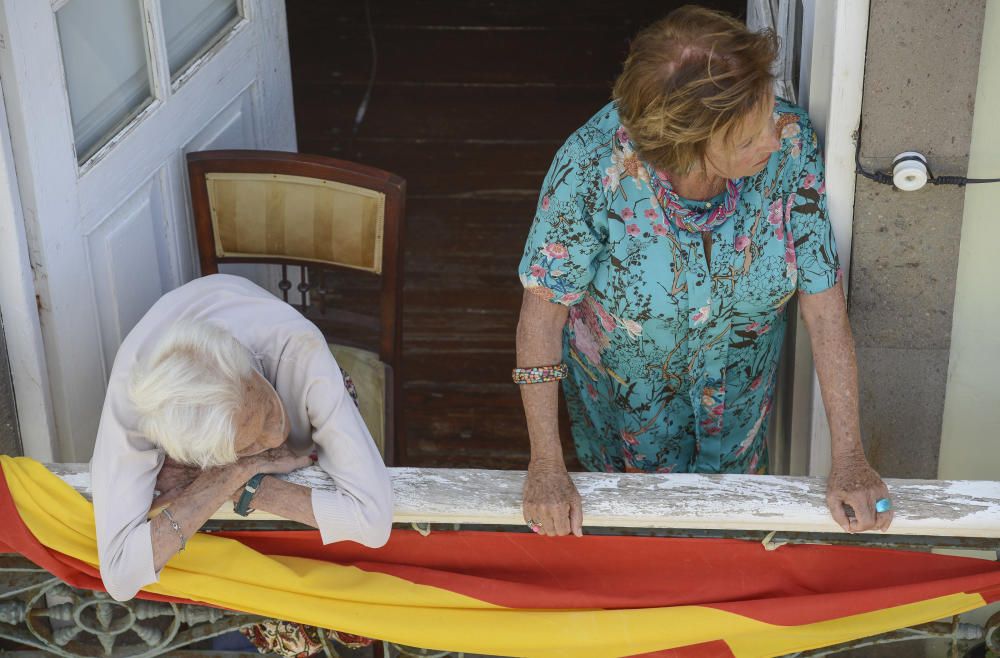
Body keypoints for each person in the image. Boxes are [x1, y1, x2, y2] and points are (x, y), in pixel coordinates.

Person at [515, 6, 893, 538]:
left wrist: (850, 458)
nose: (771, 137)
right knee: (634, 546)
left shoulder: (790, 145)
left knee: (726, 542)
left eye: (766, 112)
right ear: (687, 147)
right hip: (627, 417)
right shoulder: (591, 168)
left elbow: (824, 308)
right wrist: (546, 465)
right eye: (747, 136)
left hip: (738, 411)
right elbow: (541, 318)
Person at [91, 273, 393, 602]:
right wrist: (233, 477)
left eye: (264, 410)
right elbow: (119, 575)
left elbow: (373, 521)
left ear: (248, 368)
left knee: (348, 583)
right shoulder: (133, 405)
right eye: (246, 446)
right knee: (264, 581)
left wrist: (237, 479)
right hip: (230, 485)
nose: (276, 436)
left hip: (313, 407)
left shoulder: (297, 347)